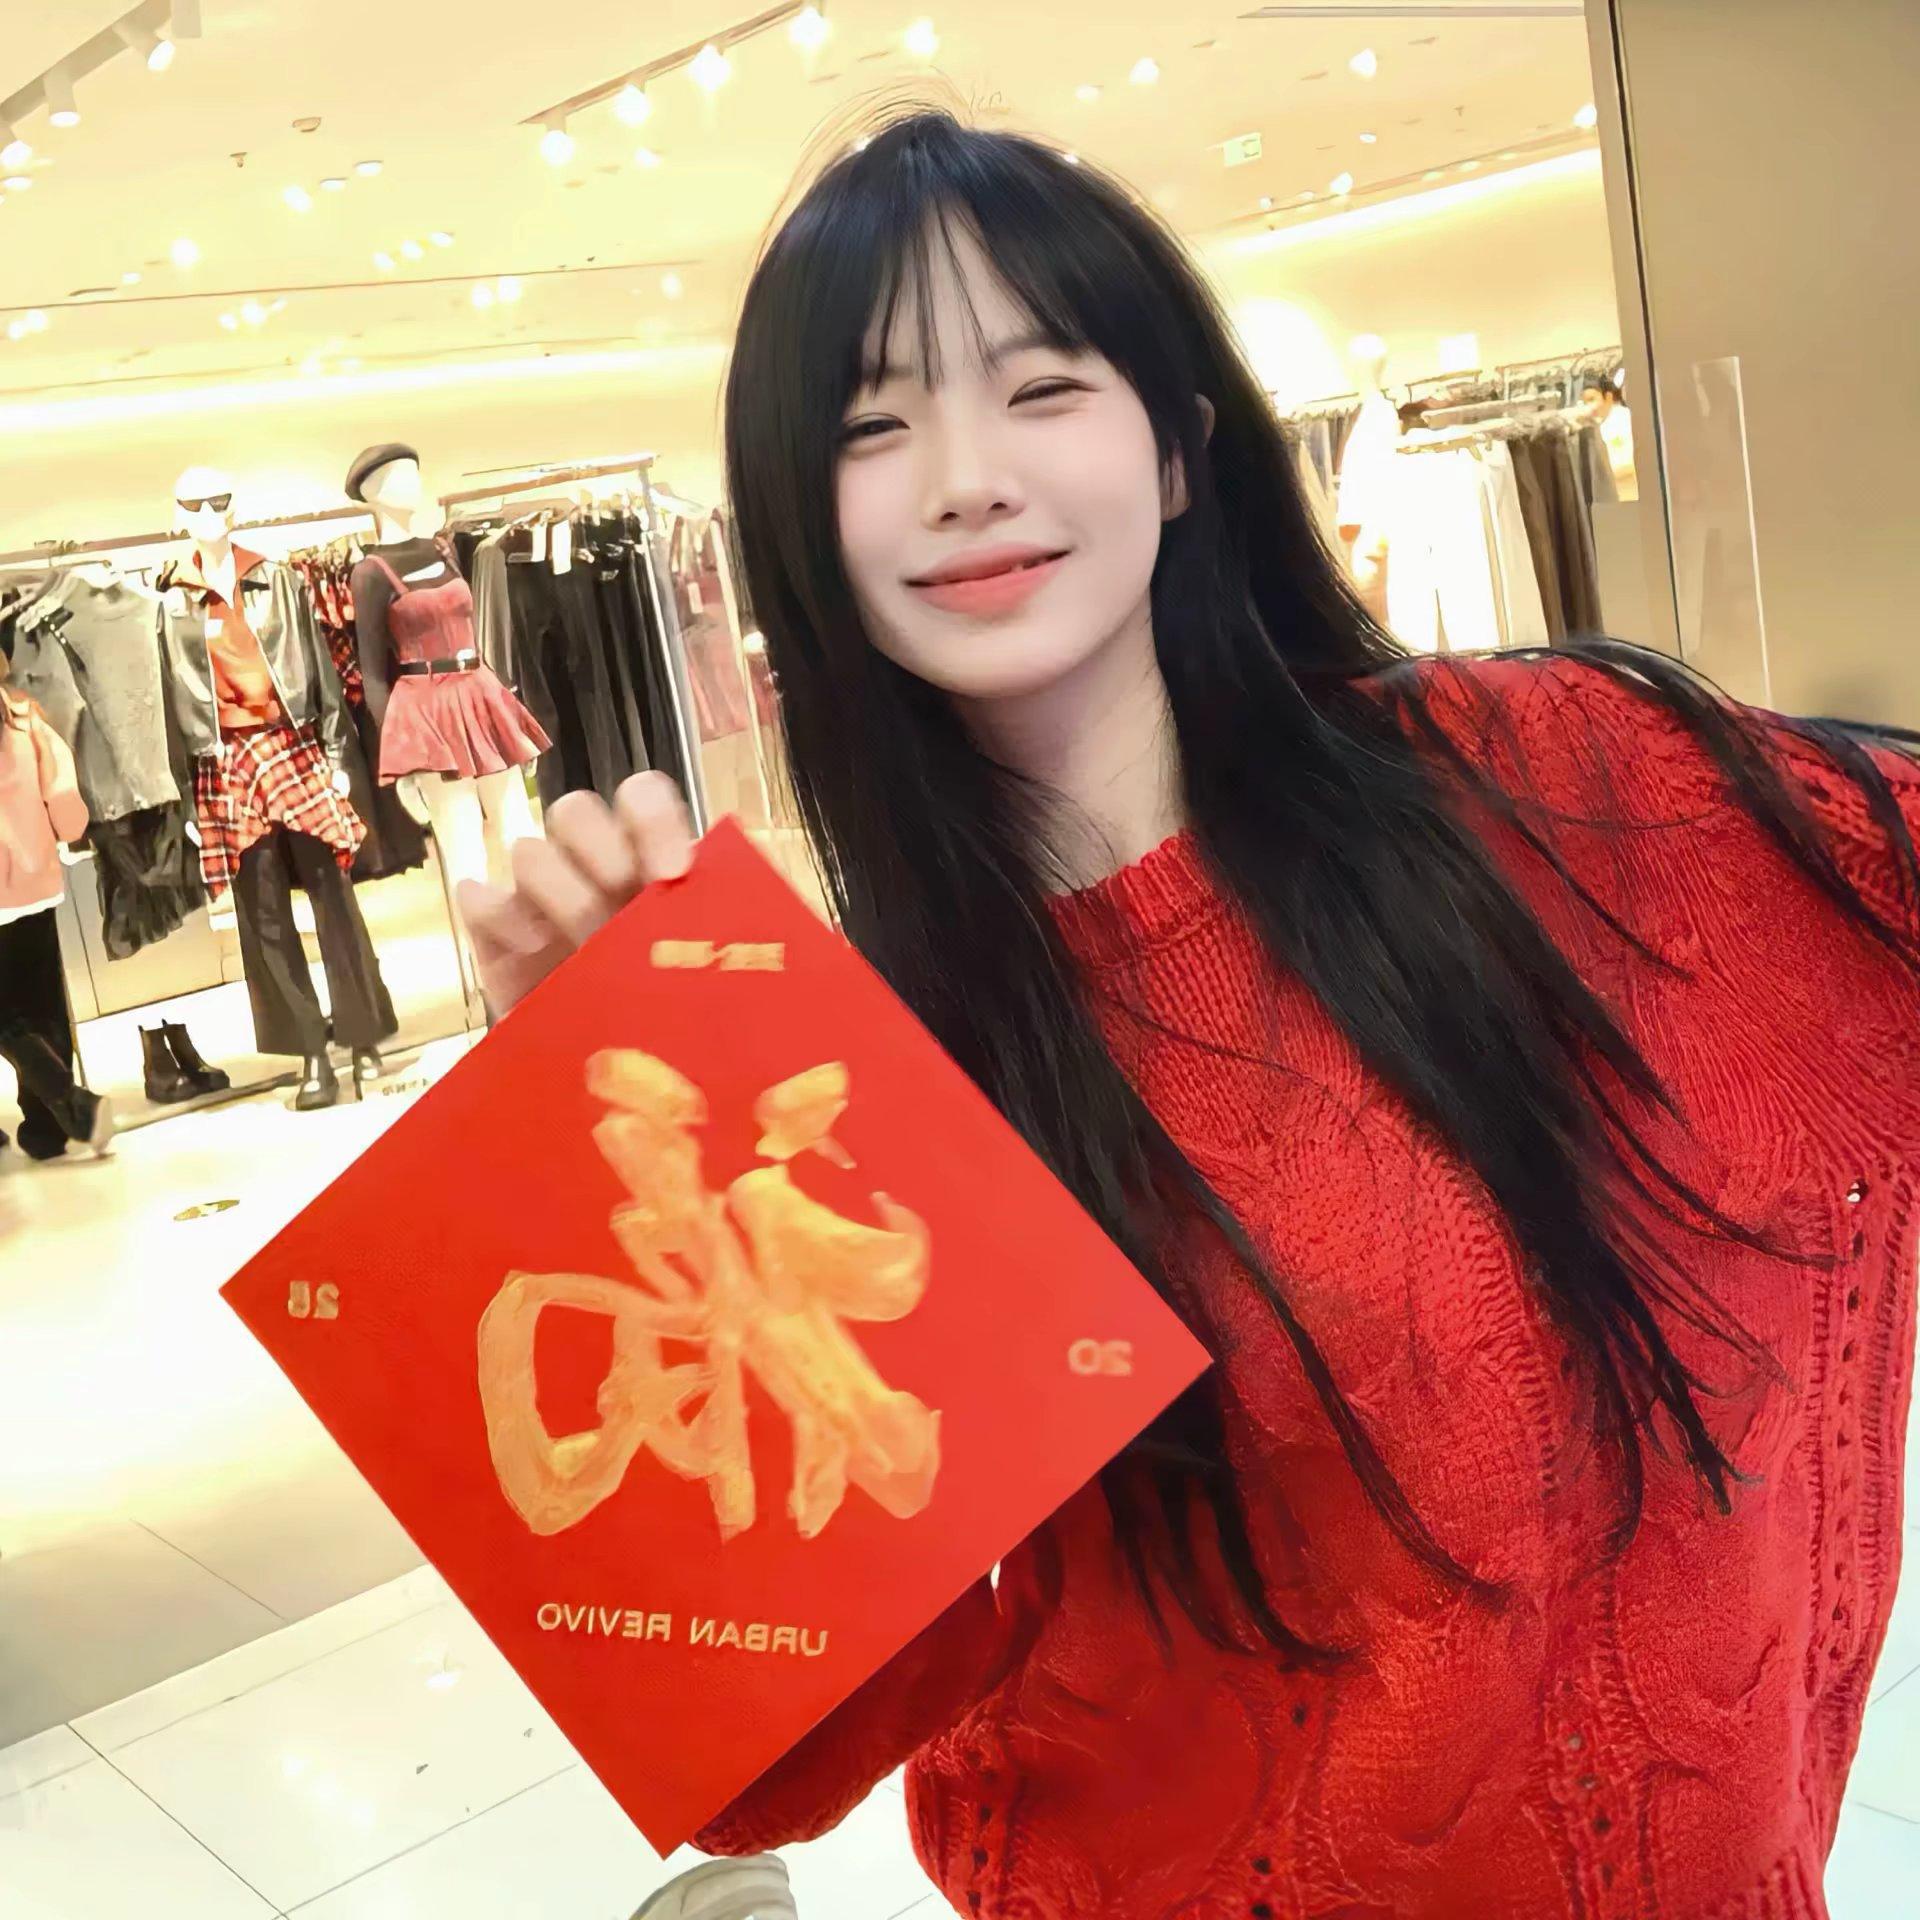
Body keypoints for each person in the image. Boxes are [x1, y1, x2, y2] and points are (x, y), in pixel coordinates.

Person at [463, 112, 1918, 1920]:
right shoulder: (849, 1072)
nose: (964, 480)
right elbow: (772, 1762)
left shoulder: (1549, 781)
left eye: (1040, 388)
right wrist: (599, 1146)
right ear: (795, 531)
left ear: (1177, 452)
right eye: (868, 428)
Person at [0, 659, 114, 1160]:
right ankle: (45, 1128)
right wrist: (62, 832)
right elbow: (65, 801)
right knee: (42, 1000)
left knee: (7, 1013)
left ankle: (72, 1105)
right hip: (35, 884)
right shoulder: (26, 721)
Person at [1580, 367, 1637, 499]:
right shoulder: (1587, 428)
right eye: (1584, 402)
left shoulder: (1626, 419)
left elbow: (1637, 462)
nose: (1587, 407)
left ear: (1608, 397)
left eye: (1591, 399)